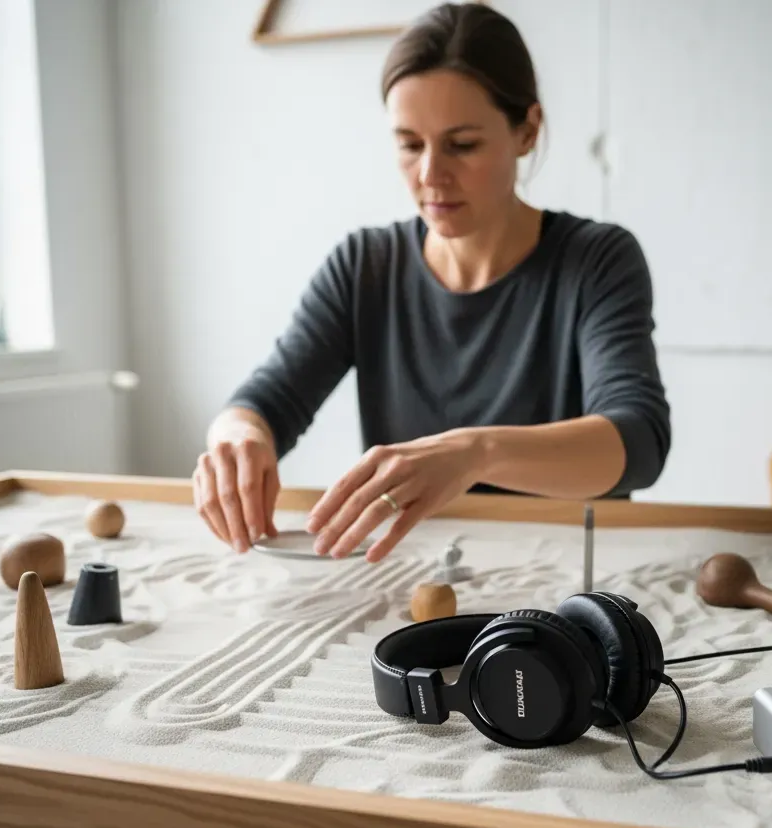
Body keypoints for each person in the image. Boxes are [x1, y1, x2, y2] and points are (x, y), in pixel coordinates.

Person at [193, 2, 670, 564]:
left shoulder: (596, 259)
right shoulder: (363, 265)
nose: (430, 175)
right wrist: (236, 439)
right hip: (413, 573)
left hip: (568, 570)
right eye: (409, 144)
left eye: (462, 144)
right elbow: (266, 401)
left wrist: (476, 452)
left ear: (527, 130)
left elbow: (637, 441)